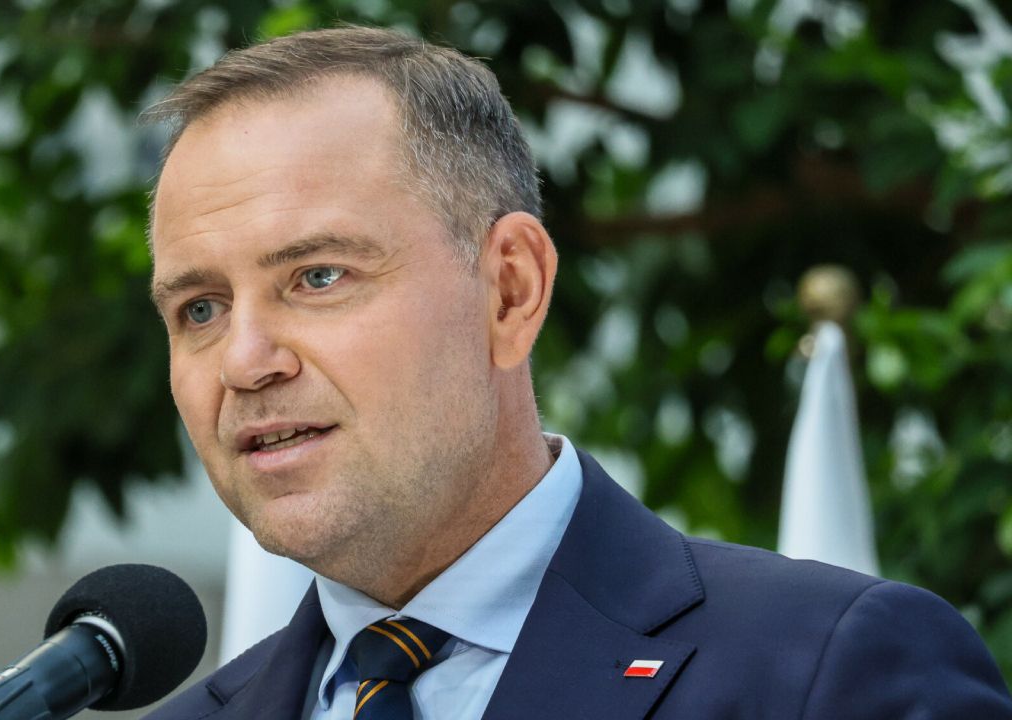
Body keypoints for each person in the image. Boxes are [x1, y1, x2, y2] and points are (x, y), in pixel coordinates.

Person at [141, 25, 1012, 720]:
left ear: (510, 290)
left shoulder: (827, 672)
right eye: (201, 309)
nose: (245, 362)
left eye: (319, 276)